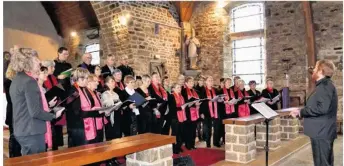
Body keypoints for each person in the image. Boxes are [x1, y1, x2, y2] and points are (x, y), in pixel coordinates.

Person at [9, 47, 63, 155]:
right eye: (35, 59)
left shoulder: (17, 79)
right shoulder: (29, 81)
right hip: (32, 131)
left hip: (23, 130)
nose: (39, 61)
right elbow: (35, 112)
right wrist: (53, 116)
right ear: (26, 62)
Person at [290, 60, 338, 166]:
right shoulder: (326, 85)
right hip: (323, 131)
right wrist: (300, 111)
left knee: (322, 163)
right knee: (325, 162)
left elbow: (322, 108)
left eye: (316, 68)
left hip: (321, 132)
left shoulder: (324, 86)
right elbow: (319, 106)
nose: (314, 71)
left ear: (320, 71)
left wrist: (301, 112)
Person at [65, 68, 104, 147]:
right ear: (80, 79)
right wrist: (96, 113)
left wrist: (97, 111)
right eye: (86, 78)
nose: (87, 80)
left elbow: (90, 106)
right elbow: (76, 112)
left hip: (86, 124)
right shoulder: (73, 91)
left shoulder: (84, 89)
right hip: (78, 127)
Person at [42, 60, 65, 150]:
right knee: (51, 134)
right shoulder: (42, 78)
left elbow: (58, 88)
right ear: (46, 68)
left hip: (56, 105)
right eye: (52, 67)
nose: (54, 69)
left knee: (56, 134)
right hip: (48, 107)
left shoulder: (53, 77)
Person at [37, 66, 59, 151]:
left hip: (47, 117)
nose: (47, 74)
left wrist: (50, 105)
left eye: (47, 72)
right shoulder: (36, 88)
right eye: (44, 72)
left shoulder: (44, 88)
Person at [4, 63, 22, 157]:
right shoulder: (8, 82)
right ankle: (13, 157)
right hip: (13, 112)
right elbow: (11, 99)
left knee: (17, 136)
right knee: (13, 136)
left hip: (18, 111)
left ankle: (17, 155)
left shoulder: (17, 81)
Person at [199, 76, 221, 148]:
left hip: (216, 111)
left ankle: (216, 142)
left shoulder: (215, 90)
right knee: (207, 129)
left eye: (212, 80)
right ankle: (208, 143)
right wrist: (201, 112)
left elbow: (219, 99)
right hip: (206, 112)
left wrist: (220, 100)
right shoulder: (203, 91)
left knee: (217, 127)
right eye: (209, 80)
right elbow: (201, 102)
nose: (211, 81)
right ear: (206, 82)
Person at [181, 77, 201, 150]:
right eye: (190, 82)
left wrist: (198, 103)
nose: (192, 83)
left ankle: (192, 144)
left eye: (192, 82)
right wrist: (191, 103)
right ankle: (188, 145)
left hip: (195, 112)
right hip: (188, 112)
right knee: (188, 129)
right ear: (186, 83)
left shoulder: (195, 91)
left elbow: (197, 99)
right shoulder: (183, 91)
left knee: (193, 129)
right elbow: (184, 102)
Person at [168, 83, 186, 154]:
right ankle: (173, 148)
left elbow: (183, 105)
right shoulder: (171, 96)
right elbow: (172, 108)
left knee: (180, 133)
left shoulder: (181, 96)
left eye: (180, 87)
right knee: (175, 133)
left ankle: (178, 146)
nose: (179, 89)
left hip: (181, 116)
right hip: (174, 117)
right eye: (177, 87)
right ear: (173, 89)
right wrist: (180, 108)